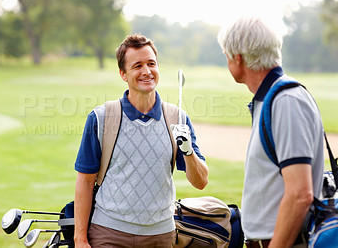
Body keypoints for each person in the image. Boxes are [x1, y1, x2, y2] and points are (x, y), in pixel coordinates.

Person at [74, 34, 209, 247]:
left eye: (151, 64)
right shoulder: (100, 118)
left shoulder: (178, 118)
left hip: (161, 235)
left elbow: (200, 182)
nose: (146, 71)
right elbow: (85, 181)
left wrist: (188, 151)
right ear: (123, 74)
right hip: (109, 233)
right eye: (137, 66)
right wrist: (80, 238)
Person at [217, 16, 324, 248]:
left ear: (238, 58)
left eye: (226, 55)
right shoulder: (273, 98)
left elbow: (300, 194)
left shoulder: (286, 101)